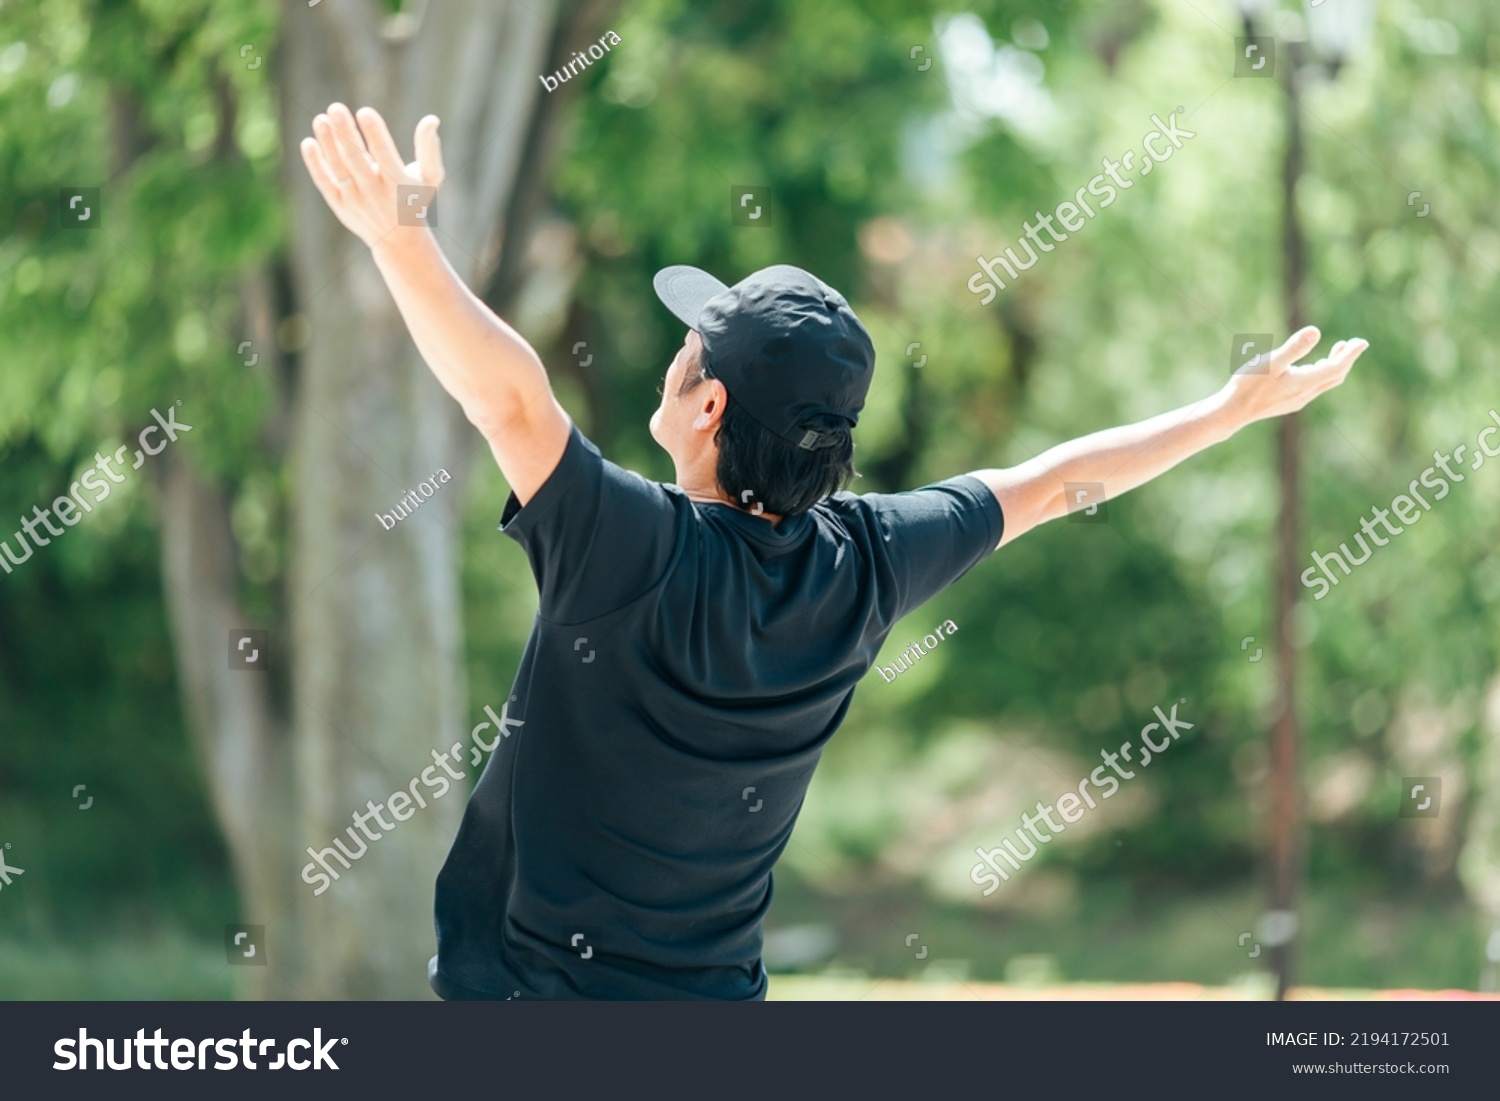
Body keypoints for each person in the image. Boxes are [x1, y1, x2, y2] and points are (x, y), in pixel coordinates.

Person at [299, 103, 1369, 1000]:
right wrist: (1226, 414)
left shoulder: (630, 549)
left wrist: (400, 240)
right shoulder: (863, 565)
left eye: (689, 349)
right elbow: (1051, 484)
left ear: (707, 402)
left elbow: (511, 396)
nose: (674, 359)